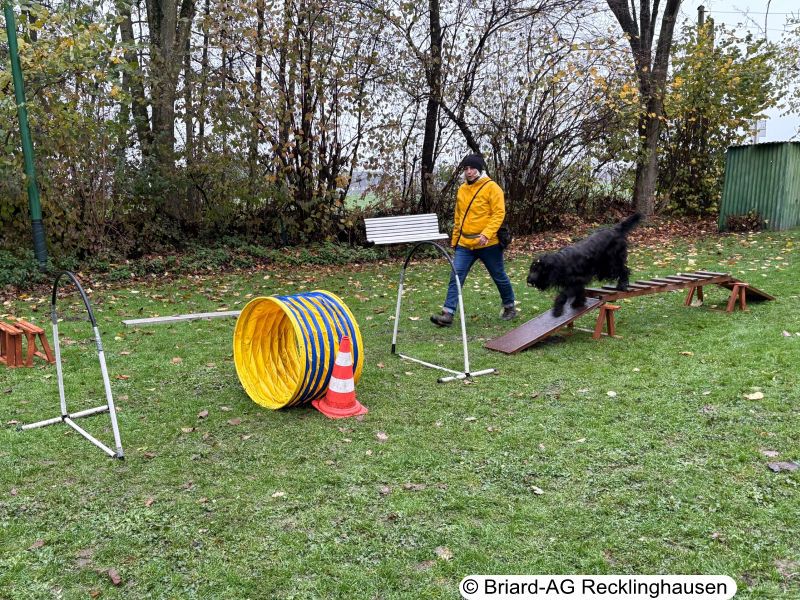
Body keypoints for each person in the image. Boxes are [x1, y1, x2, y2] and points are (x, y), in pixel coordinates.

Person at [431, 153, 517, 327]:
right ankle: (447, 314)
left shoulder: (492, 188)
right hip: (465, 244)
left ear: (480, 169)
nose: (469, 172)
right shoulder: (462, 189)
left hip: (489, 244)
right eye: (466, 169)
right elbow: (459, 217)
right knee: (456, 276)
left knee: (498, 276)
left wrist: (486, 234)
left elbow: (498, 214)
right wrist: (455, 239)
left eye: (472, 168)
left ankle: (509, 306)